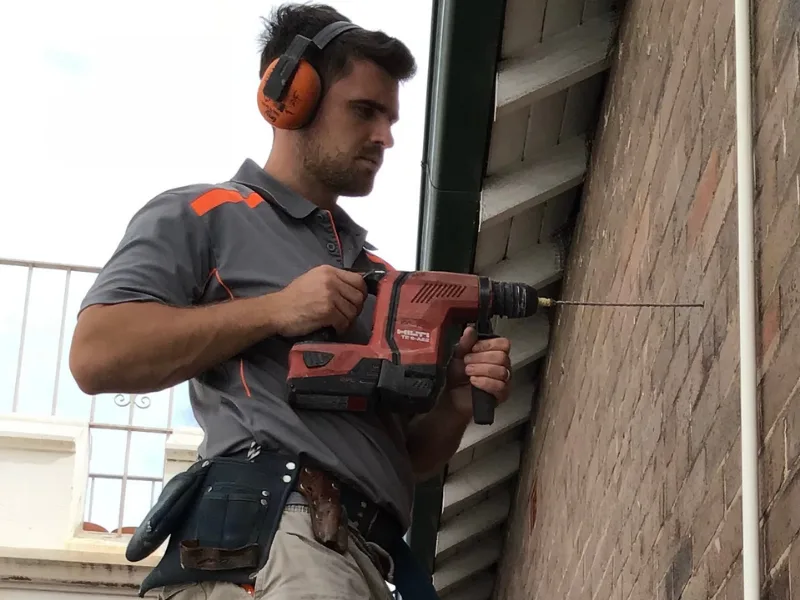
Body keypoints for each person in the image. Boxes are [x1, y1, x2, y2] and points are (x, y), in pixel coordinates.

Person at [68, 4, 513, 600]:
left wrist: (455, 401)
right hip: (280, 534)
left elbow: (406, 458)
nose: (385, 136)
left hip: (364, 557)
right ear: (290, 97)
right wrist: (277, 310)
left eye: (391, 118)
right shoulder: (204, 213)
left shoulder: (380, 273)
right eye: (364, 111)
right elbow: (96, 355)